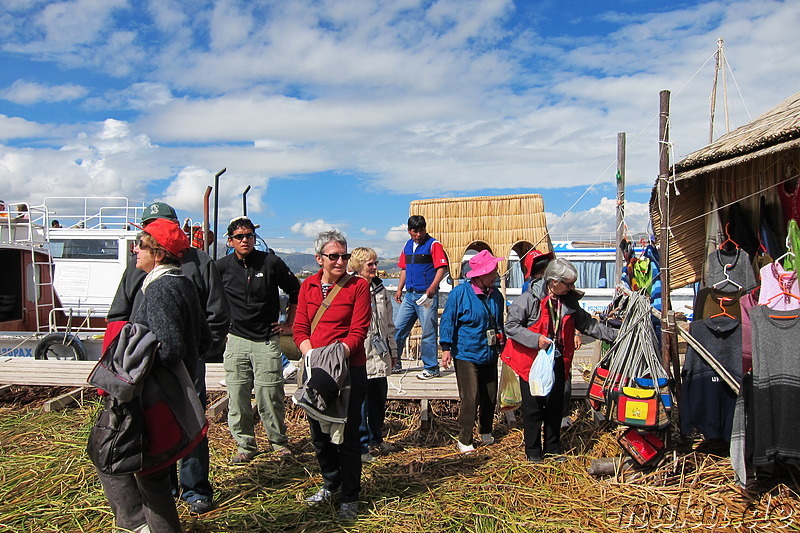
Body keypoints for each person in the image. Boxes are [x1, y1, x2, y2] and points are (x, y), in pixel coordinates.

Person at [107, 201, 230, 515]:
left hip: (181, 365)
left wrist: (198, 355)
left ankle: (194, 490)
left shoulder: (199, 263)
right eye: (147, 226)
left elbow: (216, 315)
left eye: (156, 226)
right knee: (154, 427)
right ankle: (165, 489)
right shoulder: (139, 267)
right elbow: (121, 312)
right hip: (148, 371)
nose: (145, 237)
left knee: (189, 423)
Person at [503, 258, 616, 462]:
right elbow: (510, 326)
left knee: (555, 406)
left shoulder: (569, 301)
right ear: (554, 281)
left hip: (558, 360)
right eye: (568, 283)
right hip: (532, 363)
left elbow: (588, 325)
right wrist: (535, 339)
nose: (572, 287)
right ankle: (533, 452)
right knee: (534, 408)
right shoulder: (528, 300)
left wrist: (616, 335)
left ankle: (553, 449)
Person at [294, 230, 370, 520]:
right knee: (319, 434)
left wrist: (334, 357)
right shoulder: (308, 286)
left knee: (348, 436)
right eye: (334, 256)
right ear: (319, 259)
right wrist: (312, 355)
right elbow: (300, 326)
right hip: (315, 367)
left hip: (349, 370)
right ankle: (331, 482)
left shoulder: (358, 287)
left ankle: (350, 496)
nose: (341, 261)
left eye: (345, 256)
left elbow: (358, 331)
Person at [215, 216, 301, 464]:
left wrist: (289, 324)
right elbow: (208, 298)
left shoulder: (271, 262)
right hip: (236, 340)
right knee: (237, 394)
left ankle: (278, 443)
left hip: (267, 339)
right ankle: (245, 446)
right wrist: (218, 327)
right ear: (230, 241)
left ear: (255, 238)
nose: (245, 240)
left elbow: (296, 291)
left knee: (270, 394)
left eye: (249, 235)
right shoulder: (220, 267)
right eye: (239, 237)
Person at [440, 250, 506, 453]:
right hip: (467, 352)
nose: (495, 274)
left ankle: (485, 430)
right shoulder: (459, 294)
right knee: (470, 397)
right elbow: (448, 321)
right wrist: (446, 348)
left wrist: (503, 347)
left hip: (489, 352)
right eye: (492, 271)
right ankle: (465, 438)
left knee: (490, 394)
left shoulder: (496, 296)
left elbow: (499, 324)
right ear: (480, 275)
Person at [348, 247, 399, 463]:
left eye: (376, 263)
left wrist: (394, 351)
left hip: (380, 355)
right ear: (359, 266)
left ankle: (377, 438)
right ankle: (361, 446)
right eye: (371, 264)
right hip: (361, 354)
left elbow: (388, 324)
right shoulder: (349, 289)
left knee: (379, 399)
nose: (376, 267)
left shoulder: (380, 290)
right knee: (360, 403)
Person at [394, 215, 449, 380]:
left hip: (426, 295)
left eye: (421, 230)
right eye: (415, 231)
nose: (419, 234)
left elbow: (441, 268)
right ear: (409, 231)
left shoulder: (434, 245)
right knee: (399, 329)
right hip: (409, 295)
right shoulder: (407, 245)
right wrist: (399, 289)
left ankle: (432, 368)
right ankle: (395, 363)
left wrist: (432, 287)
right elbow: (404, 269)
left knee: (428, 331)